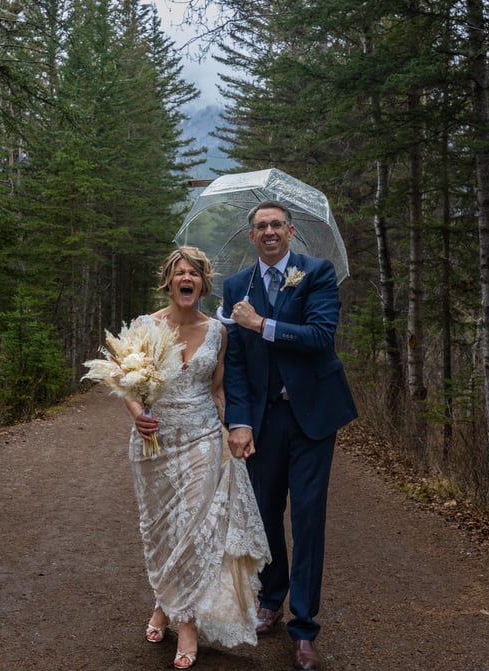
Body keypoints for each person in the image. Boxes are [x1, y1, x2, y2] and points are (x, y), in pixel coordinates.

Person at [222, 201, 357, 671]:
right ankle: (271, 598)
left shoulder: (317, 273)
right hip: (263, 419)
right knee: (264, 514)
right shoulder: (236, 288)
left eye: (277, 224)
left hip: (312, 416)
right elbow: (234, 364)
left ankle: (305, 627)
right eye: (261, 226)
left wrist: (262, 324)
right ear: (251, 236)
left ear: (291, 231)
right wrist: (237, 421)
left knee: (307, 517)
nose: (270, 231)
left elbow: (321, 335)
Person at [126, 246, 271, 670]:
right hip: (154, 444)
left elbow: (217, 391)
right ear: (169, 281)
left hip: (203, 439)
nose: (186, 279)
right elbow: (127, 384)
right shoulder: (143, 326)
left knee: (193, 528)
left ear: (203, 284)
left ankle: (185, 623)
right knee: (162, 533)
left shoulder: (217, 332)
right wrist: (139, 416)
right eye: (179, 273)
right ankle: (162, 605)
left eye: (193, 273)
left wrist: (237, 429)